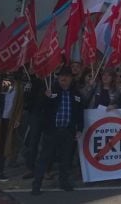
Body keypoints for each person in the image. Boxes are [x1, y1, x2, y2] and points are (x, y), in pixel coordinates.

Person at [31, 67, 84, 195]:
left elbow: (79, 114)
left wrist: (79, 129)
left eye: (66, 76)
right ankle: (36, 185)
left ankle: (64, 182)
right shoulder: (51, 91)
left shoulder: (76, 94)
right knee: (44, 158)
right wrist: (45, 97)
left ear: (71, 79)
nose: (63, 79)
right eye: (61, 76)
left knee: (65, 159)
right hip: (52, 130)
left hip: (68, 131)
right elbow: (39, 108)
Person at [0, 72, 27, 181]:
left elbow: (20, 103)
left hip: (9, 119)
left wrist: (17, 118)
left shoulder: (18, 85)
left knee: (4, 146)